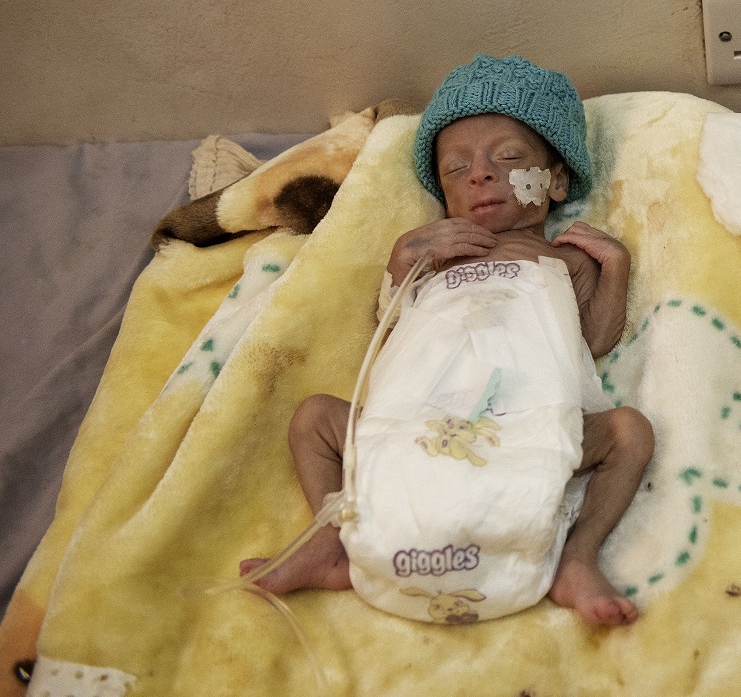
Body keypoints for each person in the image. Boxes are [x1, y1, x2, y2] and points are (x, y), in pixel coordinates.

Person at [239, 55, 653, 628]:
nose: (480, 174)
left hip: (527, 422)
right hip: (415, 421)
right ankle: (329, 536)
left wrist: (615, 266)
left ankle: (576, 558)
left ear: (555, 180)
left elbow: (595, 340)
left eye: (508, 159)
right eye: (456, 169)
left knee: (629, 431)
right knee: (314, 417)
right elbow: (390, 332)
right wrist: (402, 263)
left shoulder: (562, 259)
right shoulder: (432, 259)